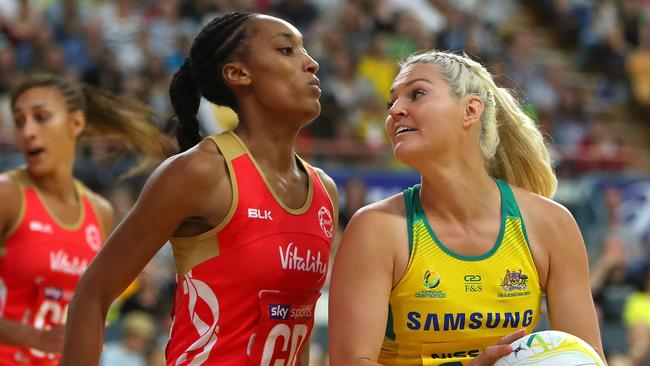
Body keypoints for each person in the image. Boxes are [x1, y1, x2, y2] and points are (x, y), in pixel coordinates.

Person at [62, 12, 338, 366]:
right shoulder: (201, 171)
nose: (312, 63)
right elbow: (92, 294)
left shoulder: (323, 190)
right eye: (287, 50)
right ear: (238, 73)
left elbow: (293, 327)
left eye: (305, 51)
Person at [328, 50, 605, 365]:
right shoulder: (376, 228)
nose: (395, 111)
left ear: (470, 110)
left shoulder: (551, 225)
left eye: (416, 94)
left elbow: (587, 356)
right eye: (391, 103)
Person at [0, 73, 171, 365]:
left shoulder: (100, 211)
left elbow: (95, 309)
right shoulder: (8, 195)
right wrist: (35, 338)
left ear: (76, 123)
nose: (27, 131)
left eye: (40, 117)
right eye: (19, 121)